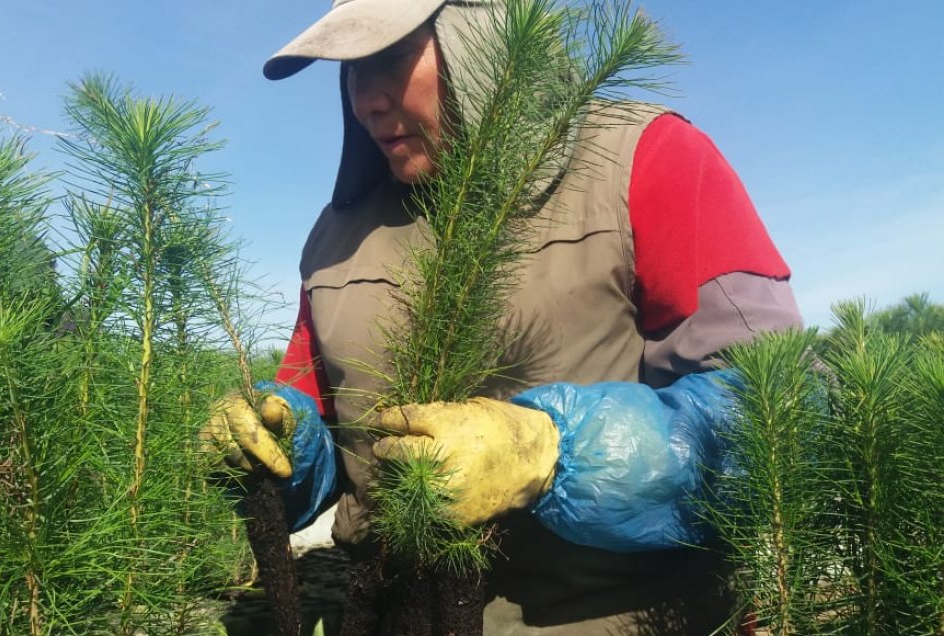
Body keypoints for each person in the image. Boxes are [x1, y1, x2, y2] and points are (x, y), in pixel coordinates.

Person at [206, 1, 802, 633]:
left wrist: (551, 452)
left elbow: (776, 414)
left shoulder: (648, 158)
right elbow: (325, 436)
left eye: (388, 58)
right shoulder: (337, 239)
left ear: (481, 39)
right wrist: (278, 444)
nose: (366, 102)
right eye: (351, 71)